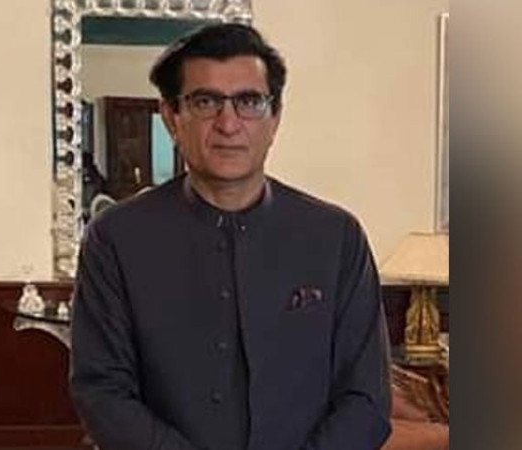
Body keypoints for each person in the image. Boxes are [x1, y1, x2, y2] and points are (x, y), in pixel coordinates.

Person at [70, 23, 392, 450]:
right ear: (171, 117)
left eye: (249, 101)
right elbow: (101, 391)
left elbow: (366, 398)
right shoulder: (115, 239)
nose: (228, 123)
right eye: (205, 102)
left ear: (275, 117)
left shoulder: (336, 238)